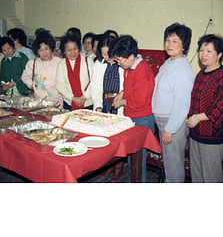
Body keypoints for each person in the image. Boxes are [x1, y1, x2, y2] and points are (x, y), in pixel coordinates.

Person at [186, 34, 223, 183]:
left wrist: (195, 118)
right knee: (196, 175)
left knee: (211, 178)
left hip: (213, 138)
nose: (203, 55)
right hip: (196, 134)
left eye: (209, 51)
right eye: (201, 50)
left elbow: (219, 110)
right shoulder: (201, 74)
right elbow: (194, 100)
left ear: (219, 54)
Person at [152, 23, 194, 183]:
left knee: (174, 165)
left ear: (184, 45)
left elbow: (182, 104)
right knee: (170, 164)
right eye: (167, 40)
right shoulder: (169, 62)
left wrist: (169, 129)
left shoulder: (182, 69)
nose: (170, 44)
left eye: (175, 41)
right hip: (164, 120)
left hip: (172, 123)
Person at [110, 35, 155, 183]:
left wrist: (121, 102)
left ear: (131, 56)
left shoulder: (142, 70)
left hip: (141, 117)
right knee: (132, 154)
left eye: (119, 60)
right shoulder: (130, 66)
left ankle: (137, 182)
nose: (118, 64)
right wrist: (122, 94)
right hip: (133, 115)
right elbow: (130, 87)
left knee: (137, 157)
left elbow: (138, 101)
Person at [91, 35, 125, 181]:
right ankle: (108, 166)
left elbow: (127, 85)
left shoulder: (121, 63)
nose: (107, 56)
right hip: (105, 103)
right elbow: (96, 86)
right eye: (103, 53)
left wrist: (122, 99)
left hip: (119, 104)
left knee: (118, 137)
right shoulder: (100, 64)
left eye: (109, 53)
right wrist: (98, 106)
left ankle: (118, 167)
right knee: (106, 137)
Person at [21, 30, 63, 107]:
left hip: (57, 101)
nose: (44, 53)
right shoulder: (32, 63)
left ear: (51, 48)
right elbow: (25, 76)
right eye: (41, 50)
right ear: (37, 52)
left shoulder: (59, 62)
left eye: (46, 49)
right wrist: (32, 85)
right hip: (39, 101)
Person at [56, 33, 93, 111]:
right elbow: (60, 85)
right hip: (69, 102)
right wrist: (72, 98)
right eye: (69, 50)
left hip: (87, 103)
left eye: (75, 49)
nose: (72, 52)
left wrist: (84, 97)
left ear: (79, 48)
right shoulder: (61, 64)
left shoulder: (88, 61)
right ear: (64, 51)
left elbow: (94, 81)